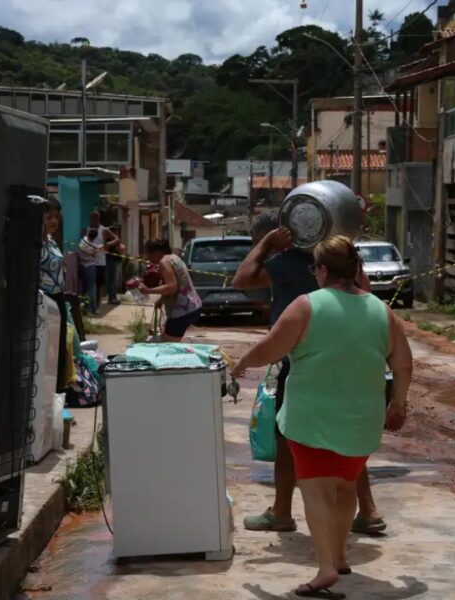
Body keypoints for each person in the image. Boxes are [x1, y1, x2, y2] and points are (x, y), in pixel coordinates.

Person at [232, 236, 412, 599]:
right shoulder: (381, 310)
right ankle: (340, 555)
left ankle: (326, 567)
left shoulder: (307, 306)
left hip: (311, 418)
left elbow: (270, 348)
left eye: (315, 267)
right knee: (345, 486)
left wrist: (242, 363)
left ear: (324, 270)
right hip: (362, 419)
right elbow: (403, 362)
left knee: (315, 490)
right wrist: (398, 403)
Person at [234, 221, 390, 537]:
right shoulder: (345, 265)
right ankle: (368, 510)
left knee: (286, 436)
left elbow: (242, 279)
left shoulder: (288, 263)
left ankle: (281, 511)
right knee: (348, 436)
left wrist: (266, 244)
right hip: (348, 357)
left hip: (302, 358)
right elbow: (367, 294)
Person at [139, 239, 203, 342]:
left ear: (157, 252)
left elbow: (171, 287)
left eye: (148, 254)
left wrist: (148, 290)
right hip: (192, 306)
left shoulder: (164, 262)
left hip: (182, 310)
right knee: (167, 339)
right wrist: (161, 300)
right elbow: (178, 284)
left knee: (167, 344)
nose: (148, 258)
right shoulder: (174, 258)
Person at [39, 198, 69, 393]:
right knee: (47, 348)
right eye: (49, 217)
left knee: (58, 347)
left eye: (56, 217)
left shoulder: (51, 241)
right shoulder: (37, 244)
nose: (53, 221)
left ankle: (57, 391)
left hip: (59, 298)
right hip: (46, 300)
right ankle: (47, 391)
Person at [77, 212, 121, 314]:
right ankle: (87, 306)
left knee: (99, 285)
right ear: (90, 219)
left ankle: (97, 306)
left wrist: (108, 244)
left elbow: (117, 239)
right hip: (88, 262)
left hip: (100, 262)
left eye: (96, 219)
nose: (94, 221)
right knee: (88, 286)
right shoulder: (86, 230)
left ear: (99, 219)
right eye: (92, 219)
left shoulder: (104, 230)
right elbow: (81, 241)